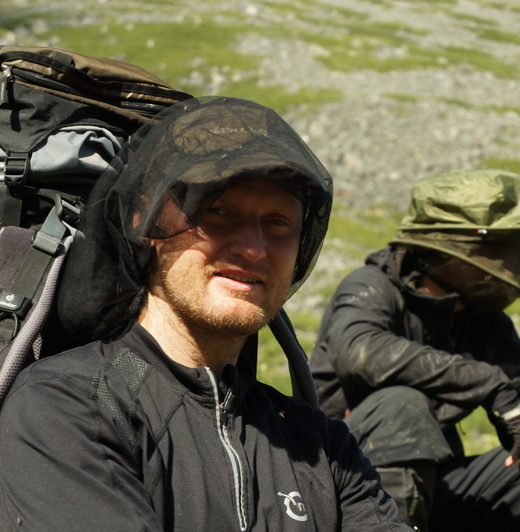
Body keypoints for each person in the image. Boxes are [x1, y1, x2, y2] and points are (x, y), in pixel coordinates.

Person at [0, 97, 411, 531]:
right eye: (217, 211)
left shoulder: (324, 447)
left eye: (277, 223)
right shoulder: (67, 405)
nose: (252, 248)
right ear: (145, 221)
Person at [309, 169, 520, 532]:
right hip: (337, 483)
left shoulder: (484, 320)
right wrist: (487, 383)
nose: (507, 263)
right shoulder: (371, 287)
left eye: (513, 249)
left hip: (435, 492)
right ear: (446, 244)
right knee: (403, 407)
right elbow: (360, 352)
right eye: (494, 248)